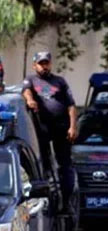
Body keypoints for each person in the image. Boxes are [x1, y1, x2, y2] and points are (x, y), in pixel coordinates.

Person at [22, 51, 77, 205]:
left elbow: (71, 106)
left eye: (46, 63)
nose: (44, 66)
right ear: (35, 65)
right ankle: (48, 199)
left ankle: (67, 201)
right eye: (41, 63)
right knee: (44, 165)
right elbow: (26, 91)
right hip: (43, 129)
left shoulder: (60, 81)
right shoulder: (31, 80)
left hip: (62, 127)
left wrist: (73, 127)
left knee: (64, 165)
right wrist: (30, 100)